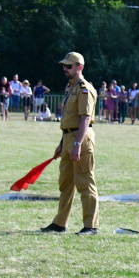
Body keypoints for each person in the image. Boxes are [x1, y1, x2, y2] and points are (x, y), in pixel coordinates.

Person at [41, 52, 99, 235]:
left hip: (79, 138)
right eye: (64, 66)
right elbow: (69, 120)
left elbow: (85, 119)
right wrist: (62, 143)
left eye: (69, 66)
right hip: (68, 138)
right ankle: (60, 223)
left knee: (85, 182)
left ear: (79, 67)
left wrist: (76, 145)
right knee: (65, 183)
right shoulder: (71, 88)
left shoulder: (84, 89)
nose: (65, 69)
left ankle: (91, 226)